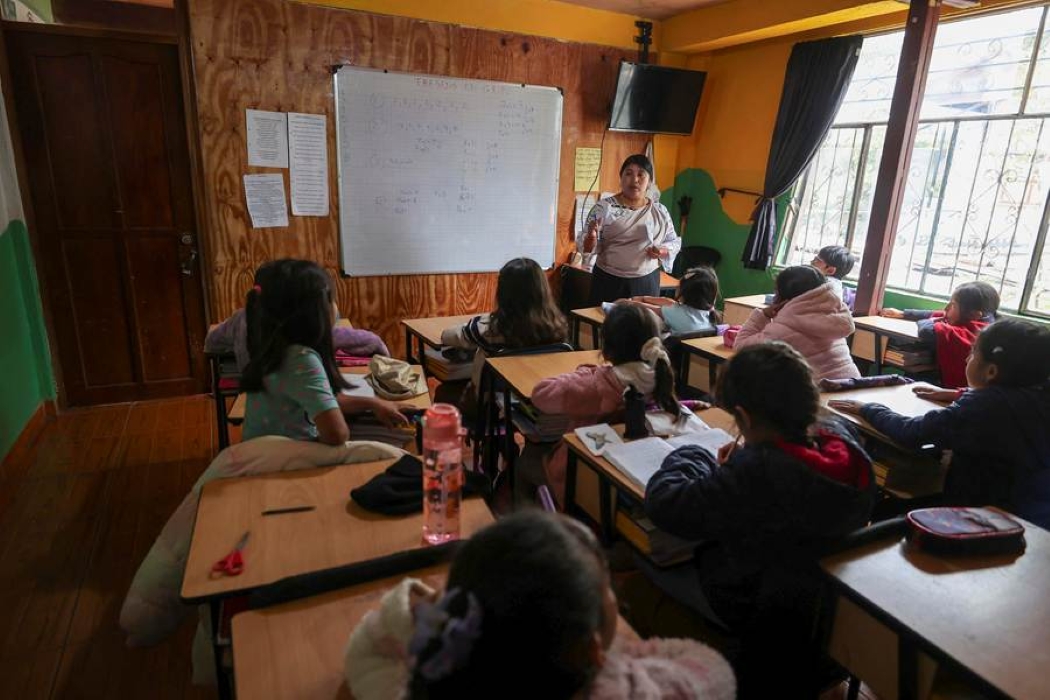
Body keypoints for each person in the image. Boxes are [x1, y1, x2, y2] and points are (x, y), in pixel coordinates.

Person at [643, 342, 876, 697]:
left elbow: (664, 503)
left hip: (756, 608)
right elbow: (787, 478)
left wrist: (692, 454)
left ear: (744, 417)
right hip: (831, 621)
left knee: (645, 554)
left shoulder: (756, 473)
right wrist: (752, 454)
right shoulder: (847, 447)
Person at [344, 511, 736, 700]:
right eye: (608, 588)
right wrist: (618, 657)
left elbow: (364, 651)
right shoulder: (633, 688)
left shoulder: (432, 682)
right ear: (591, 650)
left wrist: (428, 614)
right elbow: (714, 669)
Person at [830, 319, 1050, 529]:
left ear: (991, 371)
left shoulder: (981, 407)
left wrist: (869, 409)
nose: (967, 359)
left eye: (973, 353)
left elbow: (912, 432)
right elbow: (1011, 401)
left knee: (883, 511)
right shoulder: (1039, 396)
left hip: (979, 520)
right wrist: (957, 394)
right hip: (1036, 518)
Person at [240, 259, 409, 445]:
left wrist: (374, 403)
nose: (335, 306)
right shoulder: (301, 359)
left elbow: (325, 400)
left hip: (263, 453)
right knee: (395, 445)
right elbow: (337, 434)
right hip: (288, 458)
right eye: (330, 299)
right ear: (312, 311)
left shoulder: (274, 347)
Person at [526, 302, 679, 503]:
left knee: (525, 462)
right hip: (632, 477)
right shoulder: (660, 377)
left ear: (606, 349)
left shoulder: (597, 385)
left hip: (583, 480)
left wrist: (586, 372)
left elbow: (541, 394)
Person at [205, 263, 389, 372]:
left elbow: (212, 342)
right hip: (244, 368)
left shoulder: (246, 317)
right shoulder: (252, 322)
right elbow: (249, 368)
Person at [439, 257, 568, 407]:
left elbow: (447, 336)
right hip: (536, 400)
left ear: (502, 292)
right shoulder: (557, 326)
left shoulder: (490, 329)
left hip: (492, 405)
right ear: (543, 290)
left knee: (444, 392)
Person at [578, 154, 681, 304]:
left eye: (641, 175)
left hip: (646, 282)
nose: (635, 180)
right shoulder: (603, 208)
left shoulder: (660, 211)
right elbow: (586, 248)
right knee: (605, 319)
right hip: (609, 281)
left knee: (643, 319)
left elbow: (673, 242)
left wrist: (661, 251)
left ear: (649, 182)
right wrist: (591, 238)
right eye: (628, 173)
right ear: (621, 178)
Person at [734, 265, 859, 381]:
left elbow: (741, 347)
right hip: (852, 387)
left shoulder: (782, 330)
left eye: (776, 292)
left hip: (817, 393)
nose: (774, 297)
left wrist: (763, 315)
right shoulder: (832, 320)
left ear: (783, 297)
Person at [880, 281, 999, 388]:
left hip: (953, 389)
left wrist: (930, 321)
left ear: (975, 315)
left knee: (915, 375)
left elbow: (927, 331)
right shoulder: (986, 320)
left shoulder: (972, 332)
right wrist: (903, 314)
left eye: (953, 305)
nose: (946, 308)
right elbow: (939, 314)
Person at [623, 266, 721, 335]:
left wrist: (627, 303)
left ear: (684, 293)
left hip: (676, 356)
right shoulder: (712, 314)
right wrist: (644, 298)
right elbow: (670, 302)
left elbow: (650, 309)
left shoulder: (676, 312)